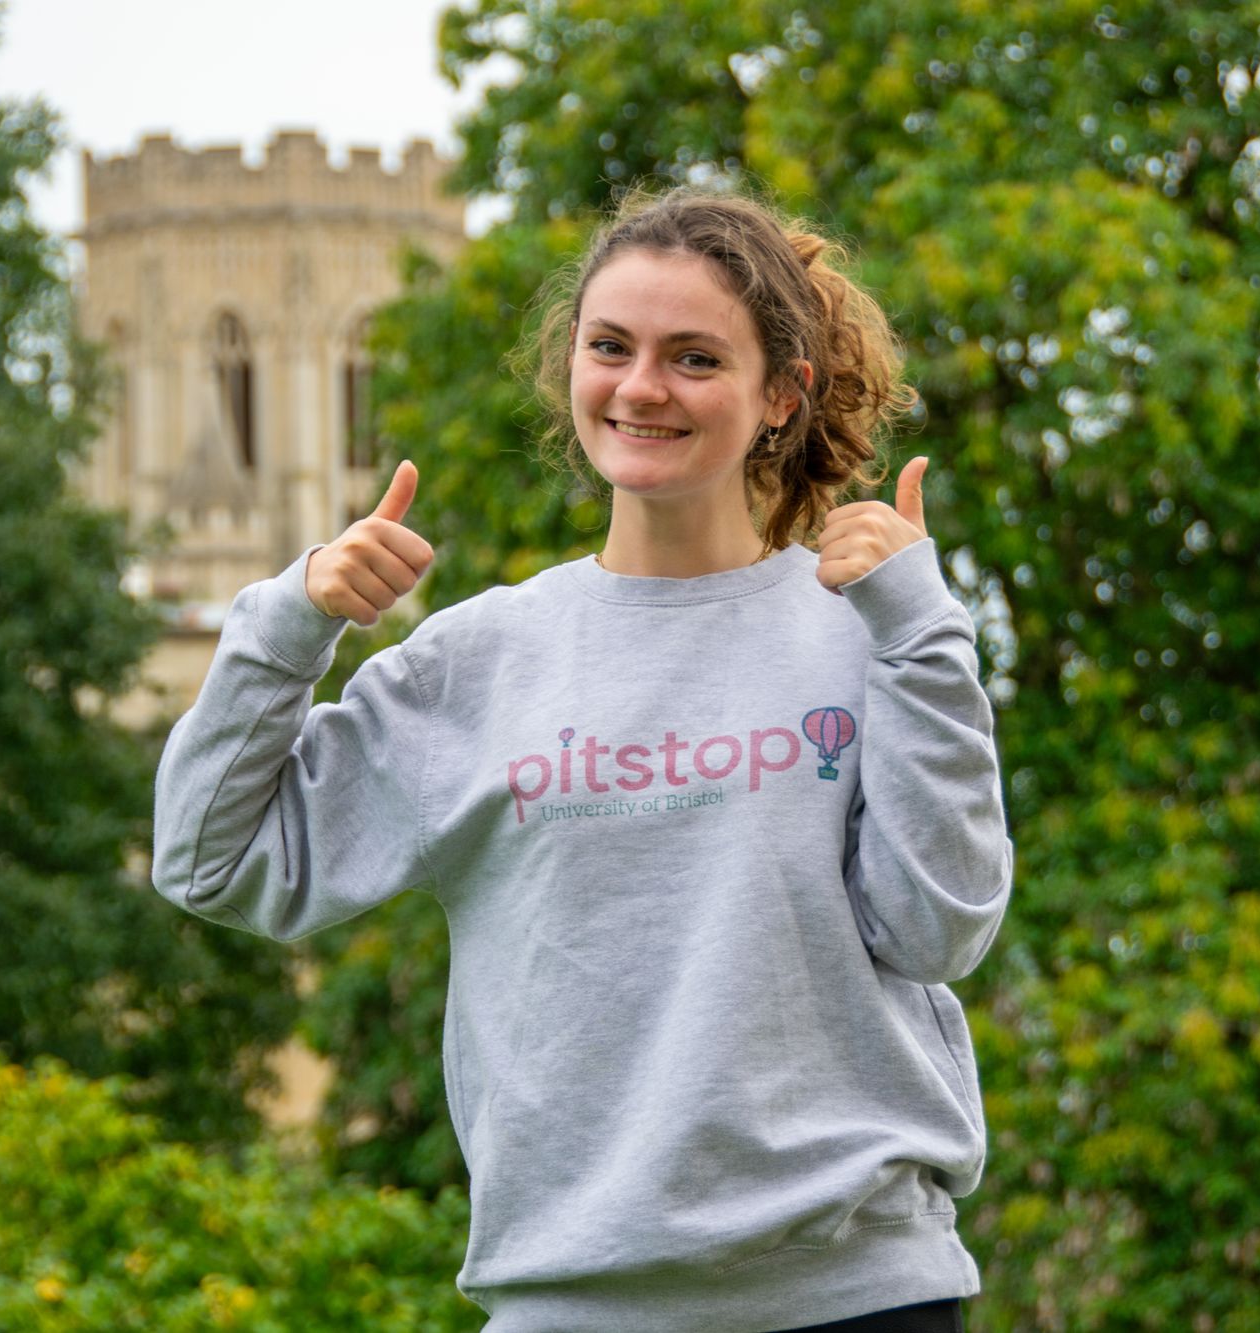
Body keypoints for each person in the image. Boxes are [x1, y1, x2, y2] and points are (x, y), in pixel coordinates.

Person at [151, 187, 1014, 1332]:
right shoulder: (472, 663)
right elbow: (209, 863)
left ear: (781, 394)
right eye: (610, 347)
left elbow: (938, 930)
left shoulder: (869, 632)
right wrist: (286, 626)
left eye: (694, 357)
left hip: (857, 1295)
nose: (641, 386)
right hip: (571, 1302)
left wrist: (924, 635)